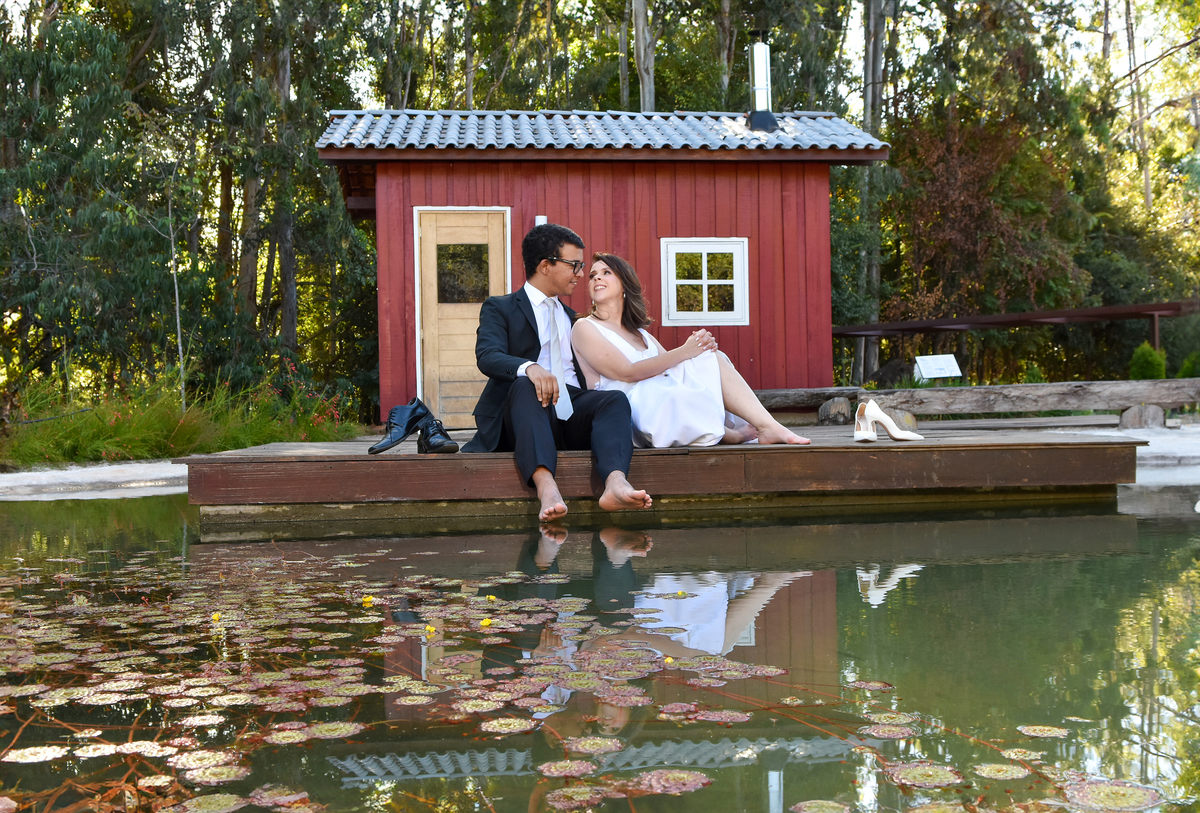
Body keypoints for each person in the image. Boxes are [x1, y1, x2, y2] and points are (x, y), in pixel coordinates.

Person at [461, 225, 653, 521]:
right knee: (526, 385)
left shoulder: (574, 319)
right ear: (545, 265)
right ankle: (546, 487)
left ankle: (615, 483)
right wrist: (530, 368)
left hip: (571, 408)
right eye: (575, 264)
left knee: (613, 400)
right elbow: (488, 356)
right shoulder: (501, 308)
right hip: (523, 413)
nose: (581, 273)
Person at [570, 252, 811, 447]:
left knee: (710, 357)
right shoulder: (585, 327)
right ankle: (731, 433)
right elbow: (627, 372)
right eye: (592, 276)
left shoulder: (641, 334)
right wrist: (687, 350)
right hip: (629, 409)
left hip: (659, 397)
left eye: (606, 273)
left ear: (624, 285)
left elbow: (674, 369)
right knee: (680, 382)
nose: (595, 279)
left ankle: (765, 425)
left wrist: (700, 348)